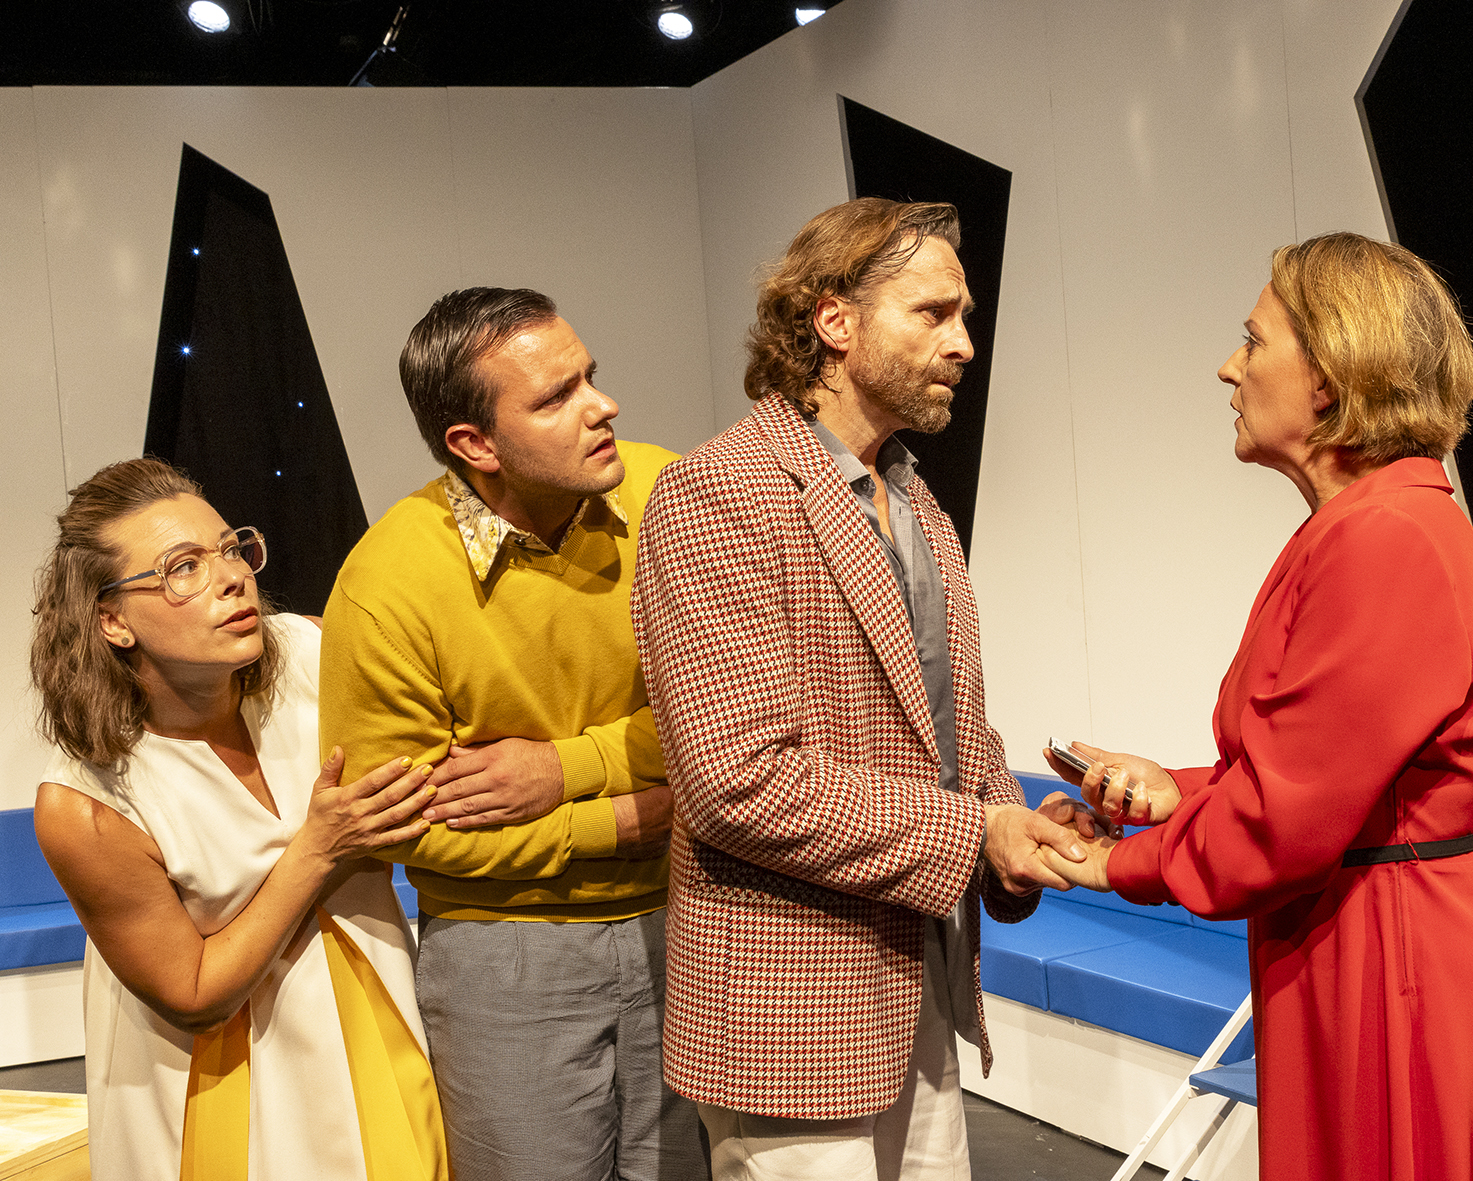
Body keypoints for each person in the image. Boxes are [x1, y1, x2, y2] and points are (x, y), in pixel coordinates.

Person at [1037, 232, 1473, 1180]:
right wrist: (1179, 788)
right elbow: (1315, 764)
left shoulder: (1386, 539)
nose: (1229, 366)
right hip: (1365, 949)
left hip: (1400, 976)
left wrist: (1114, 861)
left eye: (1253, 341)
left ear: (1328, 378)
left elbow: (1286, 820)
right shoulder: (1366, 526)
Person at [630, 198, 1092, 1181]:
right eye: (932, 313)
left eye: (963, 316)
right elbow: (736, 780)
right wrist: (974, 833)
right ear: (835, 322)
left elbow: (949, 725)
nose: (963, 344)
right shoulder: (717, 490)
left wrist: (1014, 831)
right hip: (791, 1009)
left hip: (918, 981)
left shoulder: (916, 500)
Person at [318, 287, 705, 1181]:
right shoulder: (387, 582)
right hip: (504, 953)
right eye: (557, 397)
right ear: (475, 444)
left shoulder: (674, 492)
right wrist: (630, 816)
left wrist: (564, 769)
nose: (603, 406)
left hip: (693, 914)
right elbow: (406, 824)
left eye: (590, 377)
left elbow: (741, 704)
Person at [30, 457, 445, 1181]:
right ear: (113, 620)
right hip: (221, 1097)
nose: (231, 577)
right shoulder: (88, 801)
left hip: (379, 1036)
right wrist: (319, 848)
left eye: (230, 548)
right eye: (183, 568)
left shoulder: (316, 655)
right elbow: (194, 994)